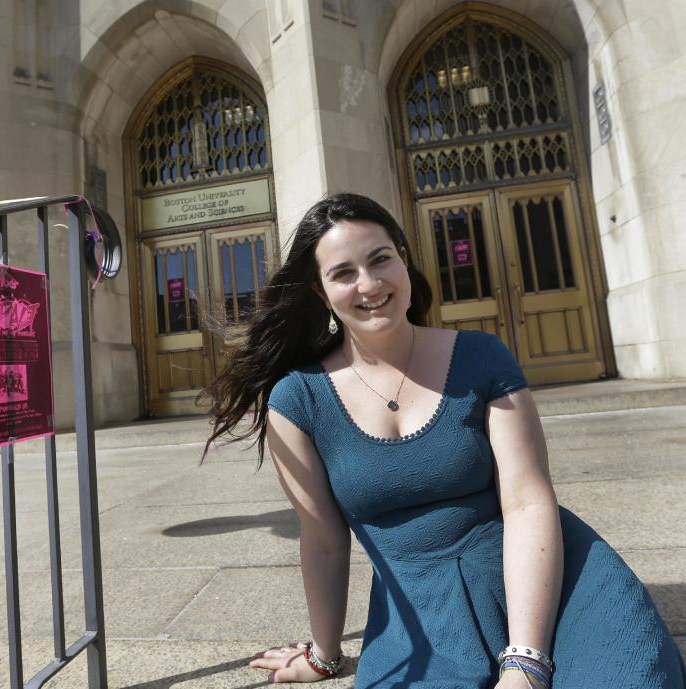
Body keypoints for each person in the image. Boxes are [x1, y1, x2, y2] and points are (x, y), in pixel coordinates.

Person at [203, 193, 685, 688]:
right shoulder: (298, 400)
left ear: (404, 260)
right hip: (420, 614)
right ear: (322, 294)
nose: (369, 284)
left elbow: (526, 500)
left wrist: (526, 662)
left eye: (380, 259)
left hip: (546, 581)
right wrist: (326, 656)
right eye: (343, 273)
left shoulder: (482, 357)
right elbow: (323, 539)